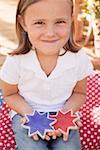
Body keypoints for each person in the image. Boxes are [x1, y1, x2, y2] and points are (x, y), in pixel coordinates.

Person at [0, 0, 93, 149]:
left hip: (64, 111)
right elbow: (10, 95)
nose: (50, 33)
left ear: (71, 20)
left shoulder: (78, 58)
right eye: (39, 23)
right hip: (27, 113)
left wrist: (63, 116)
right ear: (23, 22)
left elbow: (79, 92)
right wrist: (32, 117)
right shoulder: (15, 61)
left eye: (60, 21)